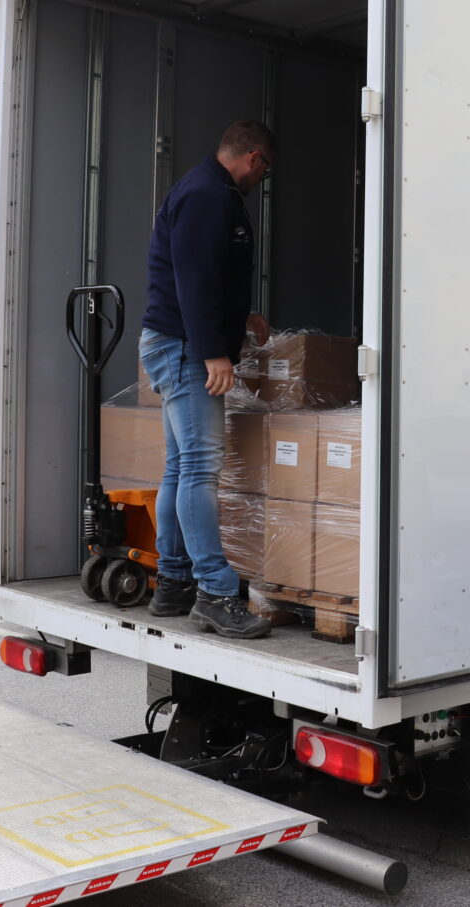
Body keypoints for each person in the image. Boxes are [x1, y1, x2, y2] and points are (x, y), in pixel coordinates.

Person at [140, 120, 276, 639]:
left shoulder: (206, 191)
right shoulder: (206, 195)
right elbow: (193, 280)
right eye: (265, 171)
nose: (261, 180)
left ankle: (174, 581)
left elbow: (206, 275)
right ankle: (215, 594)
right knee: (199, 468)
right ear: (255, 159)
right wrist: (213, 353)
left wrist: (240, 317)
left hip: (176, 341)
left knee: (180, 467)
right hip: (184, 347)